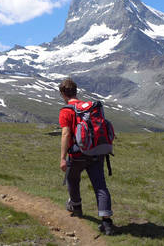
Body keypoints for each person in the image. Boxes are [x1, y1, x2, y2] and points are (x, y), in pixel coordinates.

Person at [58, 78, 115, 235]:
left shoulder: (66, 110)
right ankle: (107, 222)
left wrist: (63, 157)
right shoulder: (89, 108)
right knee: (100, 185)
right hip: (97, 151)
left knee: (72, 178)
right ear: (76, 91)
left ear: (63, 93)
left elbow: (66, 134)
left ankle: (76, 208)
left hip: (78, 153)